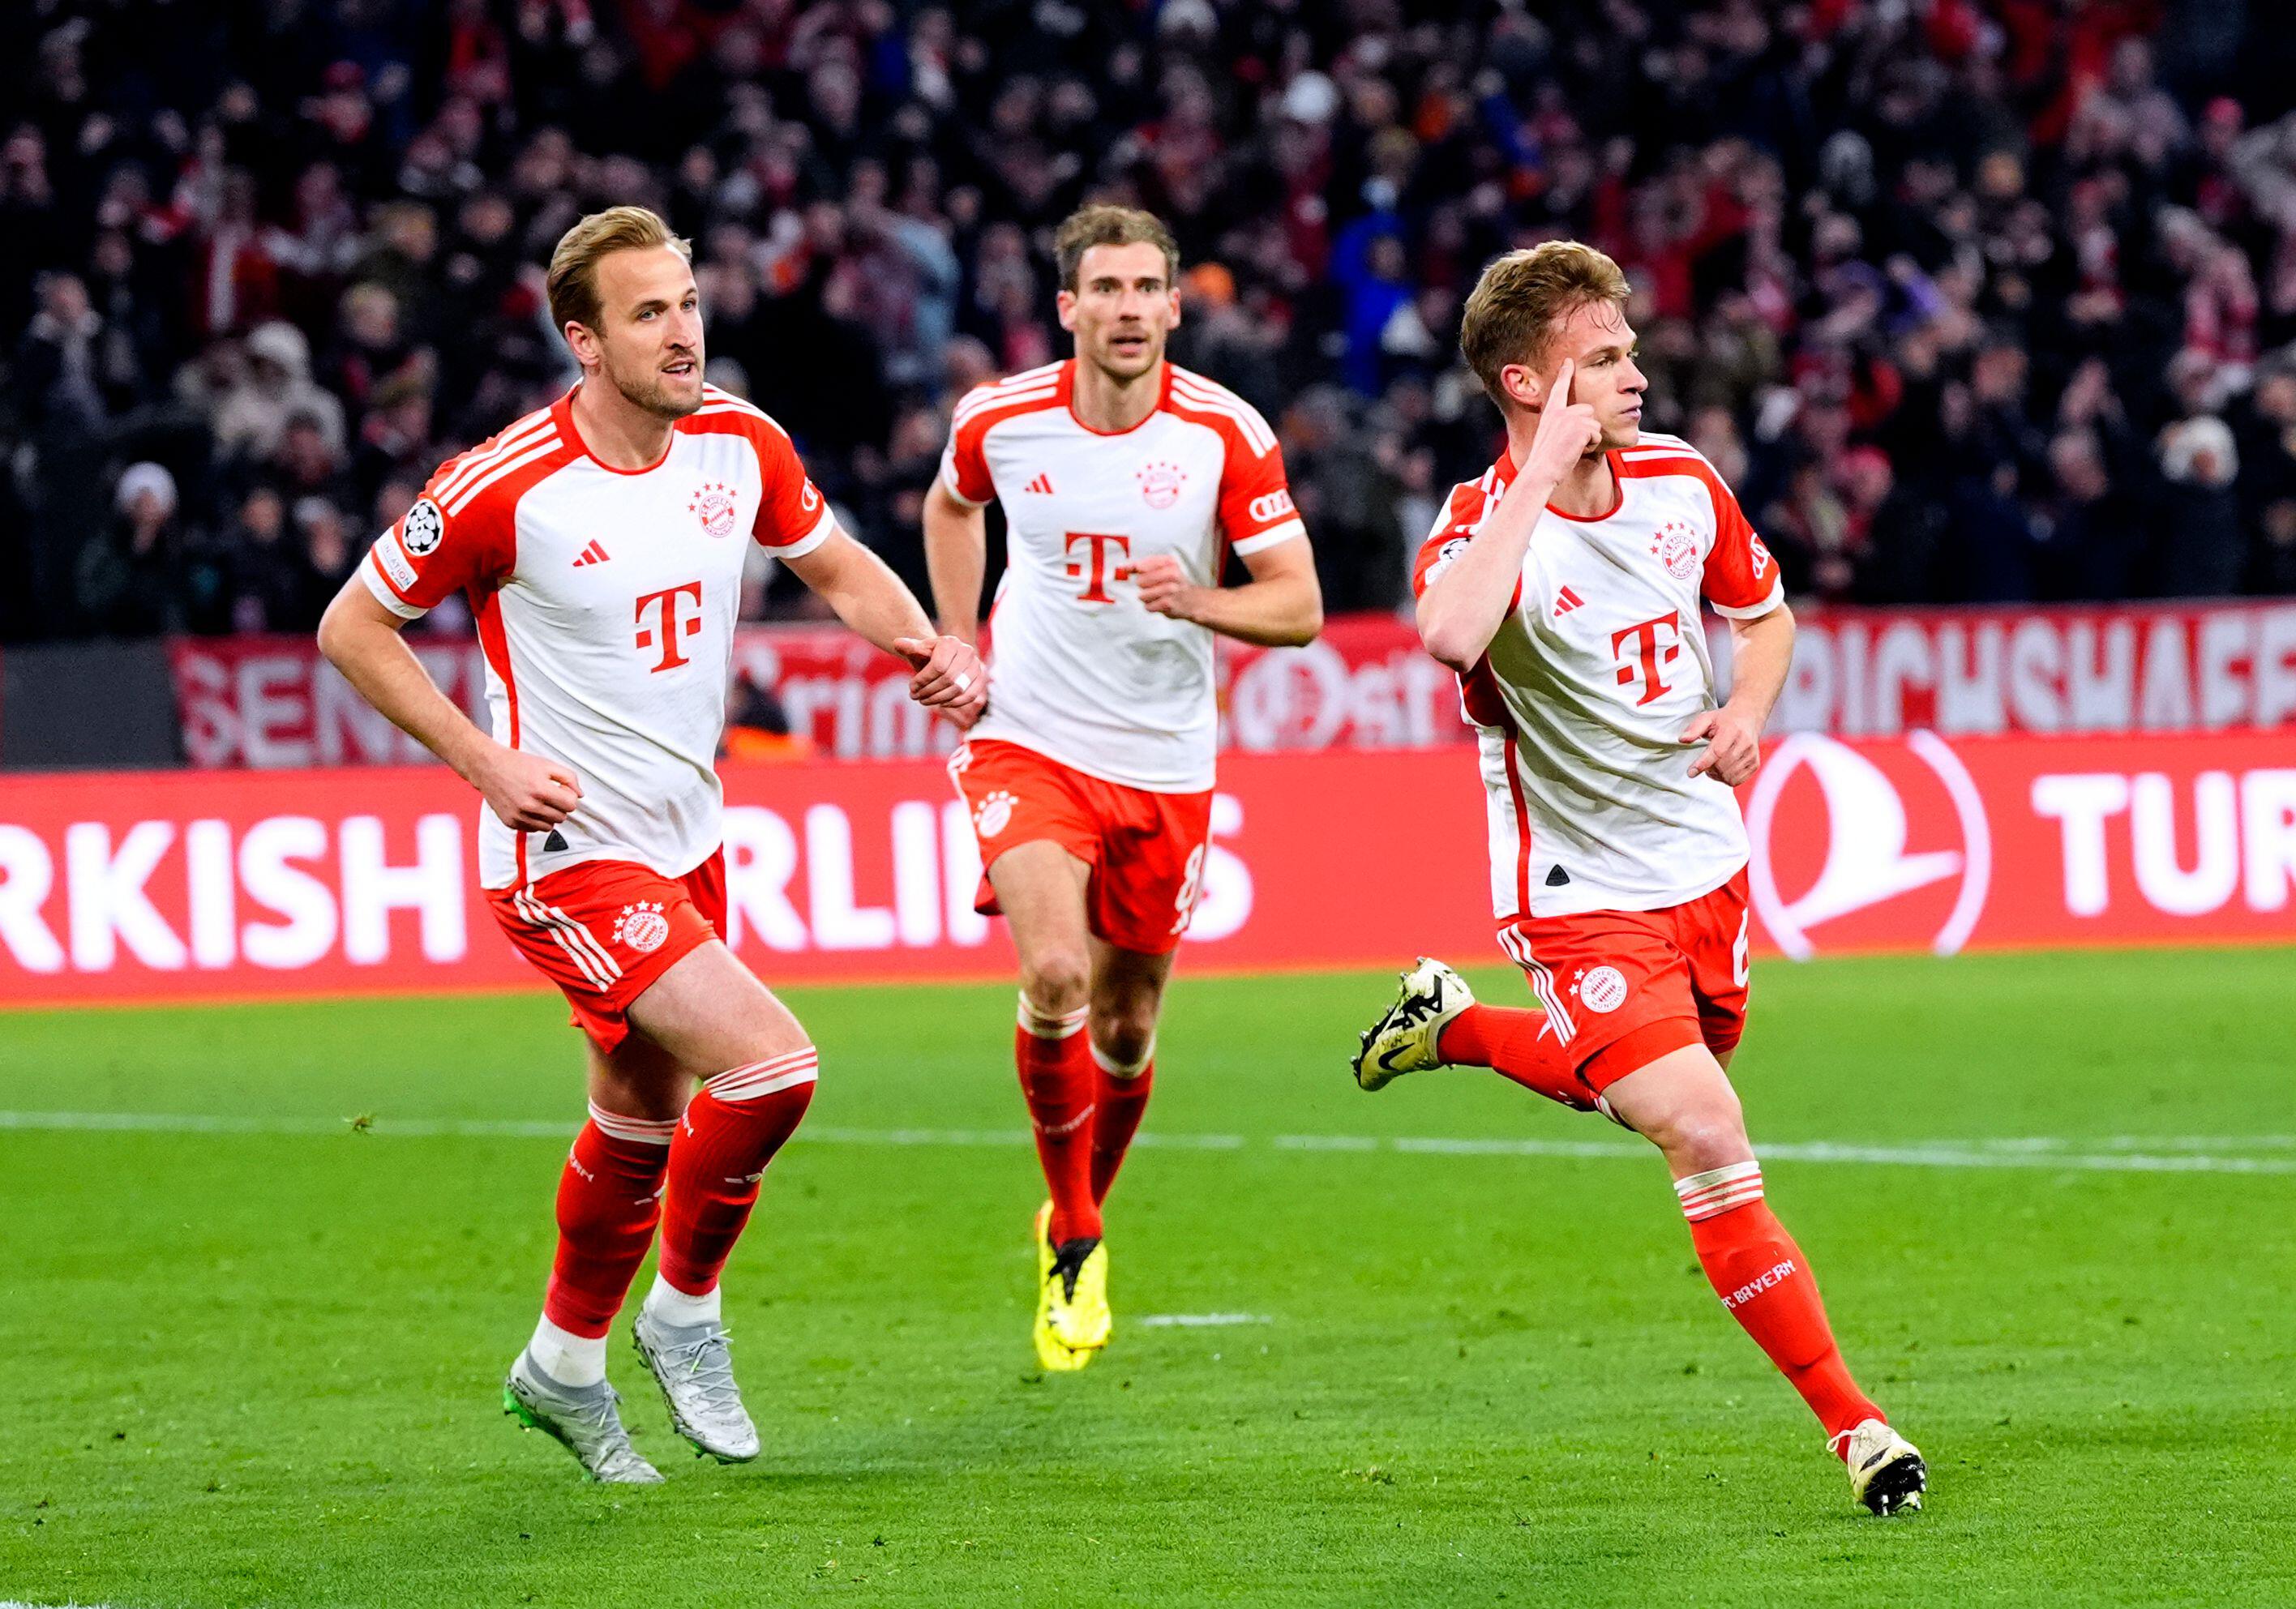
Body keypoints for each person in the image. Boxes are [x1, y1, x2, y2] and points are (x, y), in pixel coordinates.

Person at [317, 206, 984, 1483]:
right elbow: (354, 627)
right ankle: (684, 1312)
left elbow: (837, 565)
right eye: (648, 313)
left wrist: (928, 647)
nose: (683, 333)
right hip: (566, 852)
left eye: (686, 302)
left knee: (638, 1116)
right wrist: (487, 761)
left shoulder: (740, 440)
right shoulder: (504, 483)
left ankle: (563, 1368)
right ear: (584, 340)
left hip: (688, 838)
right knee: (774, 1070)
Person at [1350, 242, 1926, 1516]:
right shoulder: (1474, 531)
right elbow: (1447, 634)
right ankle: (1859, 1427)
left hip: (1707, 864)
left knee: (1655, 1088)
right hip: (1575, 887)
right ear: (1526, 382)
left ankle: (1454, 1029)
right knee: (1703, 1127)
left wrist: (1748, 712)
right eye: (1603, 360)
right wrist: (1538, 473)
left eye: (1627, 351)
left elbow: (1765, 614)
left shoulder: (1679, 483)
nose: (1637, 376)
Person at [921, 204, 1322, 1372]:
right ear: (1070, 308)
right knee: (1054, 972)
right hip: (1029, 735)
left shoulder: (1222, 434)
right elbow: (953, 504)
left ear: (1173, 305)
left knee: (1128, 1022)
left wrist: (1198, 598)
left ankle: (1076, 1206)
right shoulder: (1000, 418)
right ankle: (1080, 1229)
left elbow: (1295, 605)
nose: (1132, 308)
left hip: (1164, 759)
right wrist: (957, 637)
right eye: (1108, 289)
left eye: (1150, 288)